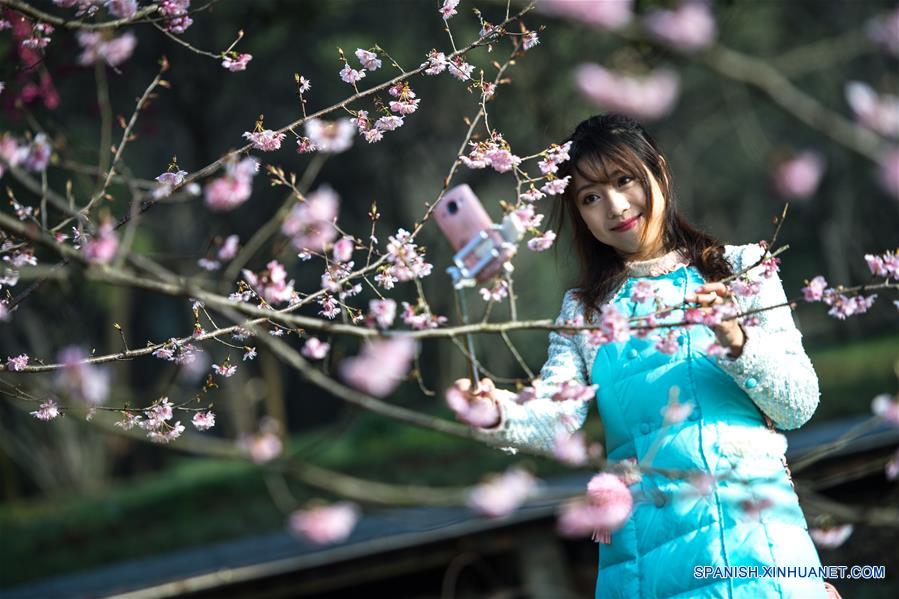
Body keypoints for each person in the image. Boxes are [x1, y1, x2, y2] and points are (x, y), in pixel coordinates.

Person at [449, 114, 840, 598]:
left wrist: (737, 340)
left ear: (661, 173)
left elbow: (798, 404)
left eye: (624, 180)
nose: (613, 206)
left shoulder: (742, 271)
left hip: (758, 549)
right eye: (590, 197)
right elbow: (555, 412)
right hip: (645, 563)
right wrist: (494, 414)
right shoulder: (585, 311)